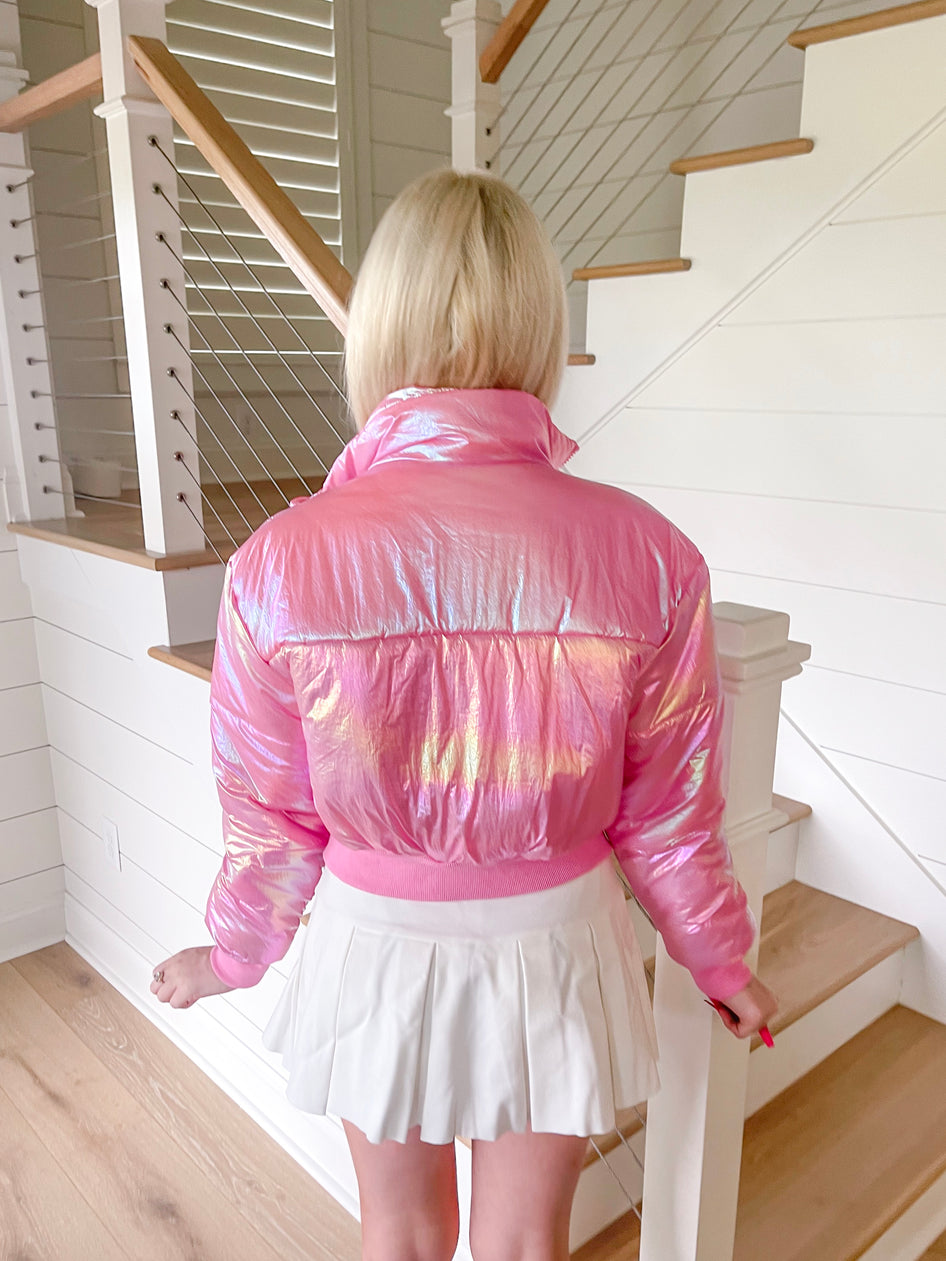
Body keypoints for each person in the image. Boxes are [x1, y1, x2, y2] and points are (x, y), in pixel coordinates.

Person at [150, 169, 778, 1261]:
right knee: (528, 1241)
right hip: (556, 937)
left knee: (396, 1234)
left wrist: (234, 955)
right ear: (540, 330)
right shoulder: (650, 554)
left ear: (378, 329)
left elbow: (270, 810)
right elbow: (669, 814)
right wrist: (721, 961)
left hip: (374, 938)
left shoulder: (279, 560)